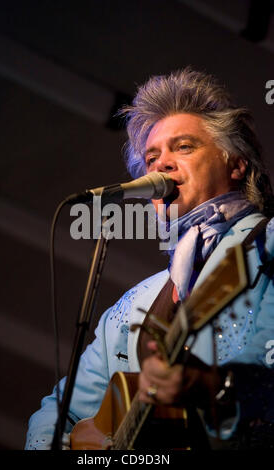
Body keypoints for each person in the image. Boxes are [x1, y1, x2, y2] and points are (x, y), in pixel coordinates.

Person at [25, 68, 274, 450]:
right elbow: (57, 415)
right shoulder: (130, 310)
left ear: (236, 163)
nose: (162, 164)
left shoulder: (266, 246)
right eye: (152, 156)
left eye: (185, 146)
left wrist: (211, 388)